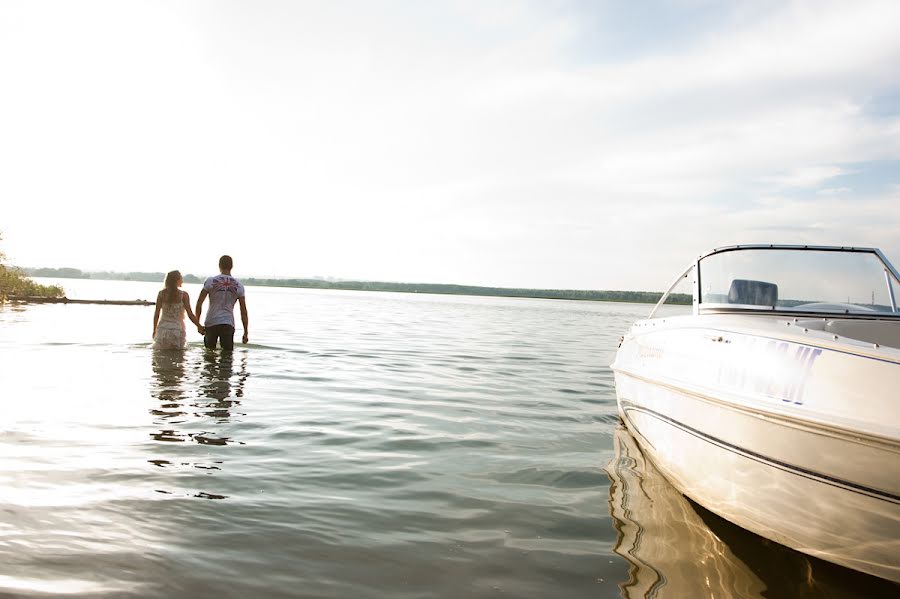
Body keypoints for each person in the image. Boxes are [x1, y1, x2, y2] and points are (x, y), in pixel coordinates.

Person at [196, 255, 249, 350]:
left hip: (211, 322)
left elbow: (199, 303)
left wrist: (198, 324)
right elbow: (243, 311)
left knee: (209, 357)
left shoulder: (210, 281)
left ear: (219, 265)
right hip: (228, 323)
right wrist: (245, 332)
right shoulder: (239, 285)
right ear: (232, 266)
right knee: (227, 358)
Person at [152, 270, 205, 350]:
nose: (182, 280)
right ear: (177, 280)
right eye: (181, 278)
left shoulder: (161, 294)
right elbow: (190, 314)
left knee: (161, 359)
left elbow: (157, 314)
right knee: (178, 358)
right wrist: (199, 326)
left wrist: (154, 330)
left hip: (163, 329)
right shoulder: (184, 295)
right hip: (177, 330)